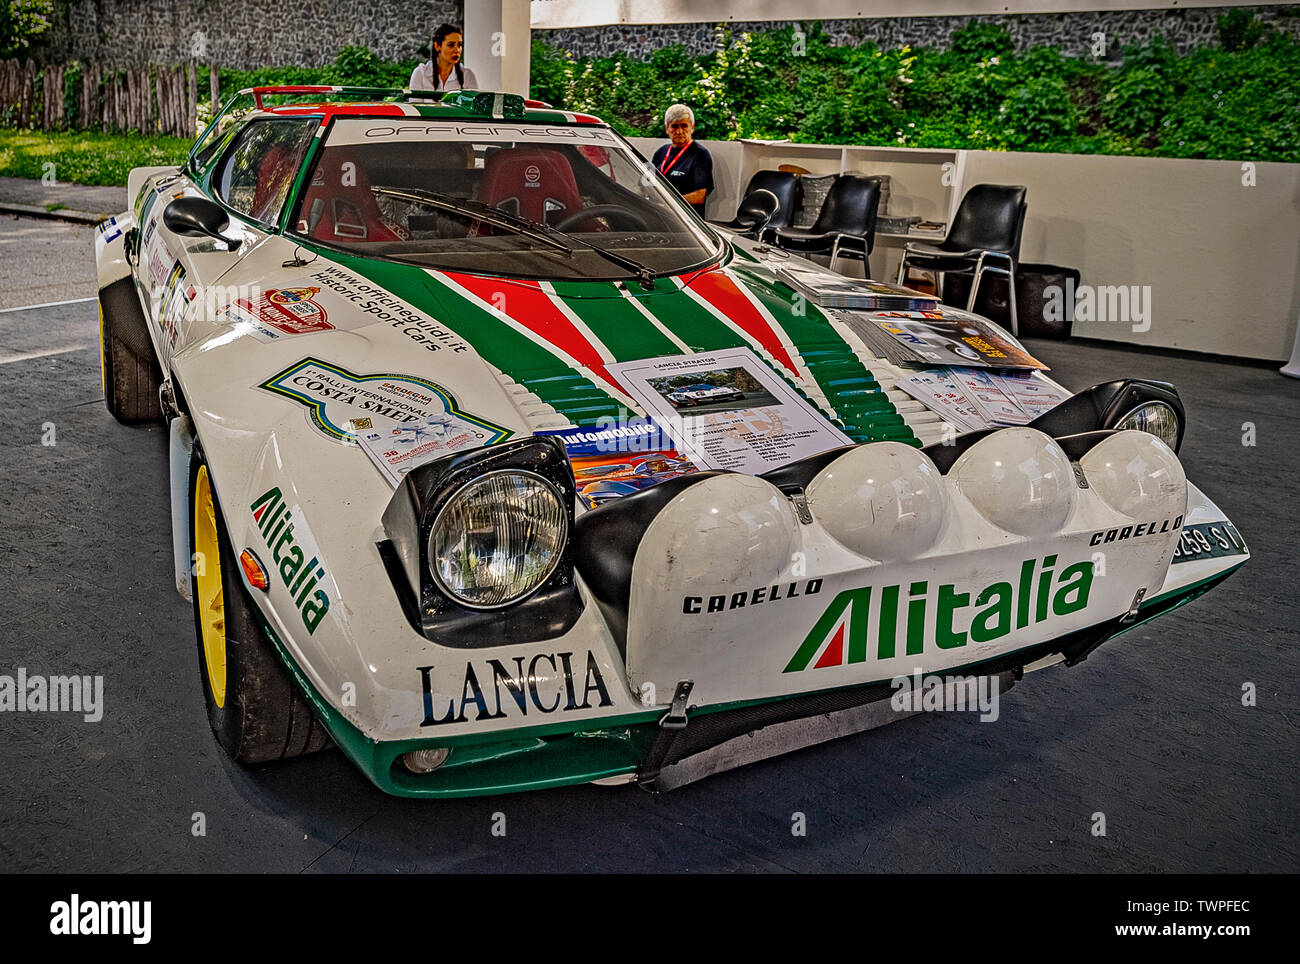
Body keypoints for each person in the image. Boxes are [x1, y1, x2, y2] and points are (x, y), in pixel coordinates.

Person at [652, 104, 713, 216]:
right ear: (667, 129)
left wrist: (667, 203)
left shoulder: (700, 154)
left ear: (692, 127)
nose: (679, 132)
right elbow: (648, 183)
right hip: (660, 215)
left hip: (686, 221)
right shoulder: (660, 152)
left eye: (684, 126)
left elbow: (699, 196)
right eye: (674, 126)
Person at [410, 23, 479, 92]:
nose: (457, 50)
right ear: (437, 46)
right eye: (451, 45)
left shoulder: (467, 76)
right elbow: (414, 103)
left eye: (459, 45)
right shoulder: (421, 74)